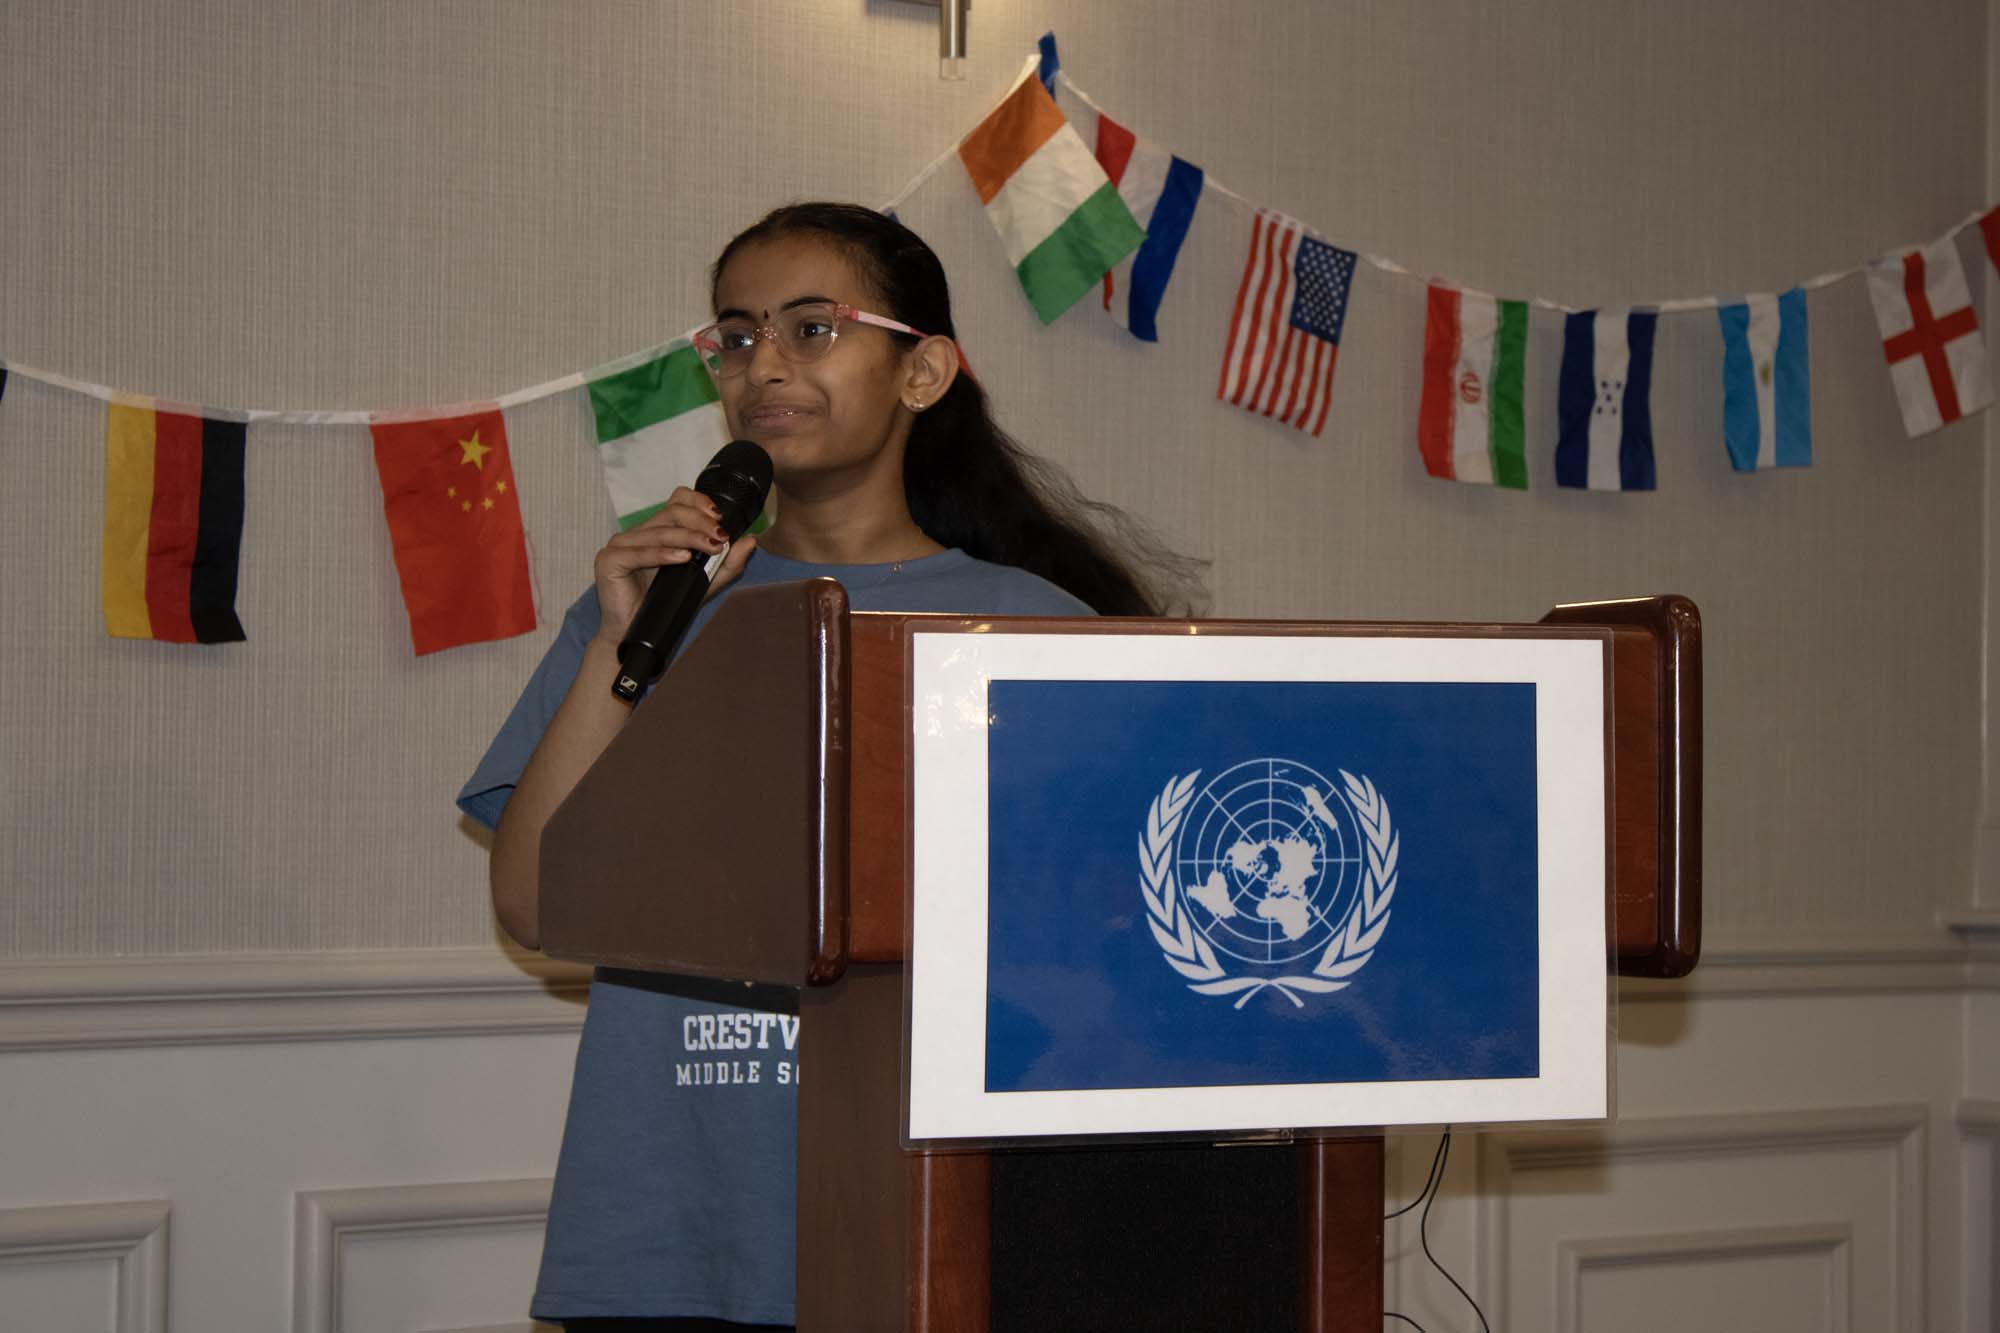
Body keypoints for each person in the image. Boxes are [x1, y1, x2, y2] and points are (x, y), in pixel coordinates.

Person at [458, 201, 1200, 1329]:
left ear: (923, 372)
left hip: (948, 1213)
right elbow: (531, 903)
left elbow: (1110, 939)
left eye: (812, 328)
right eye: (736, 335)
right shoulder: (647, 611)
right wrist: (616, 644)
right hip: (681, 1221)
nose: (763, 365)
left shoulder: (1038, 628)